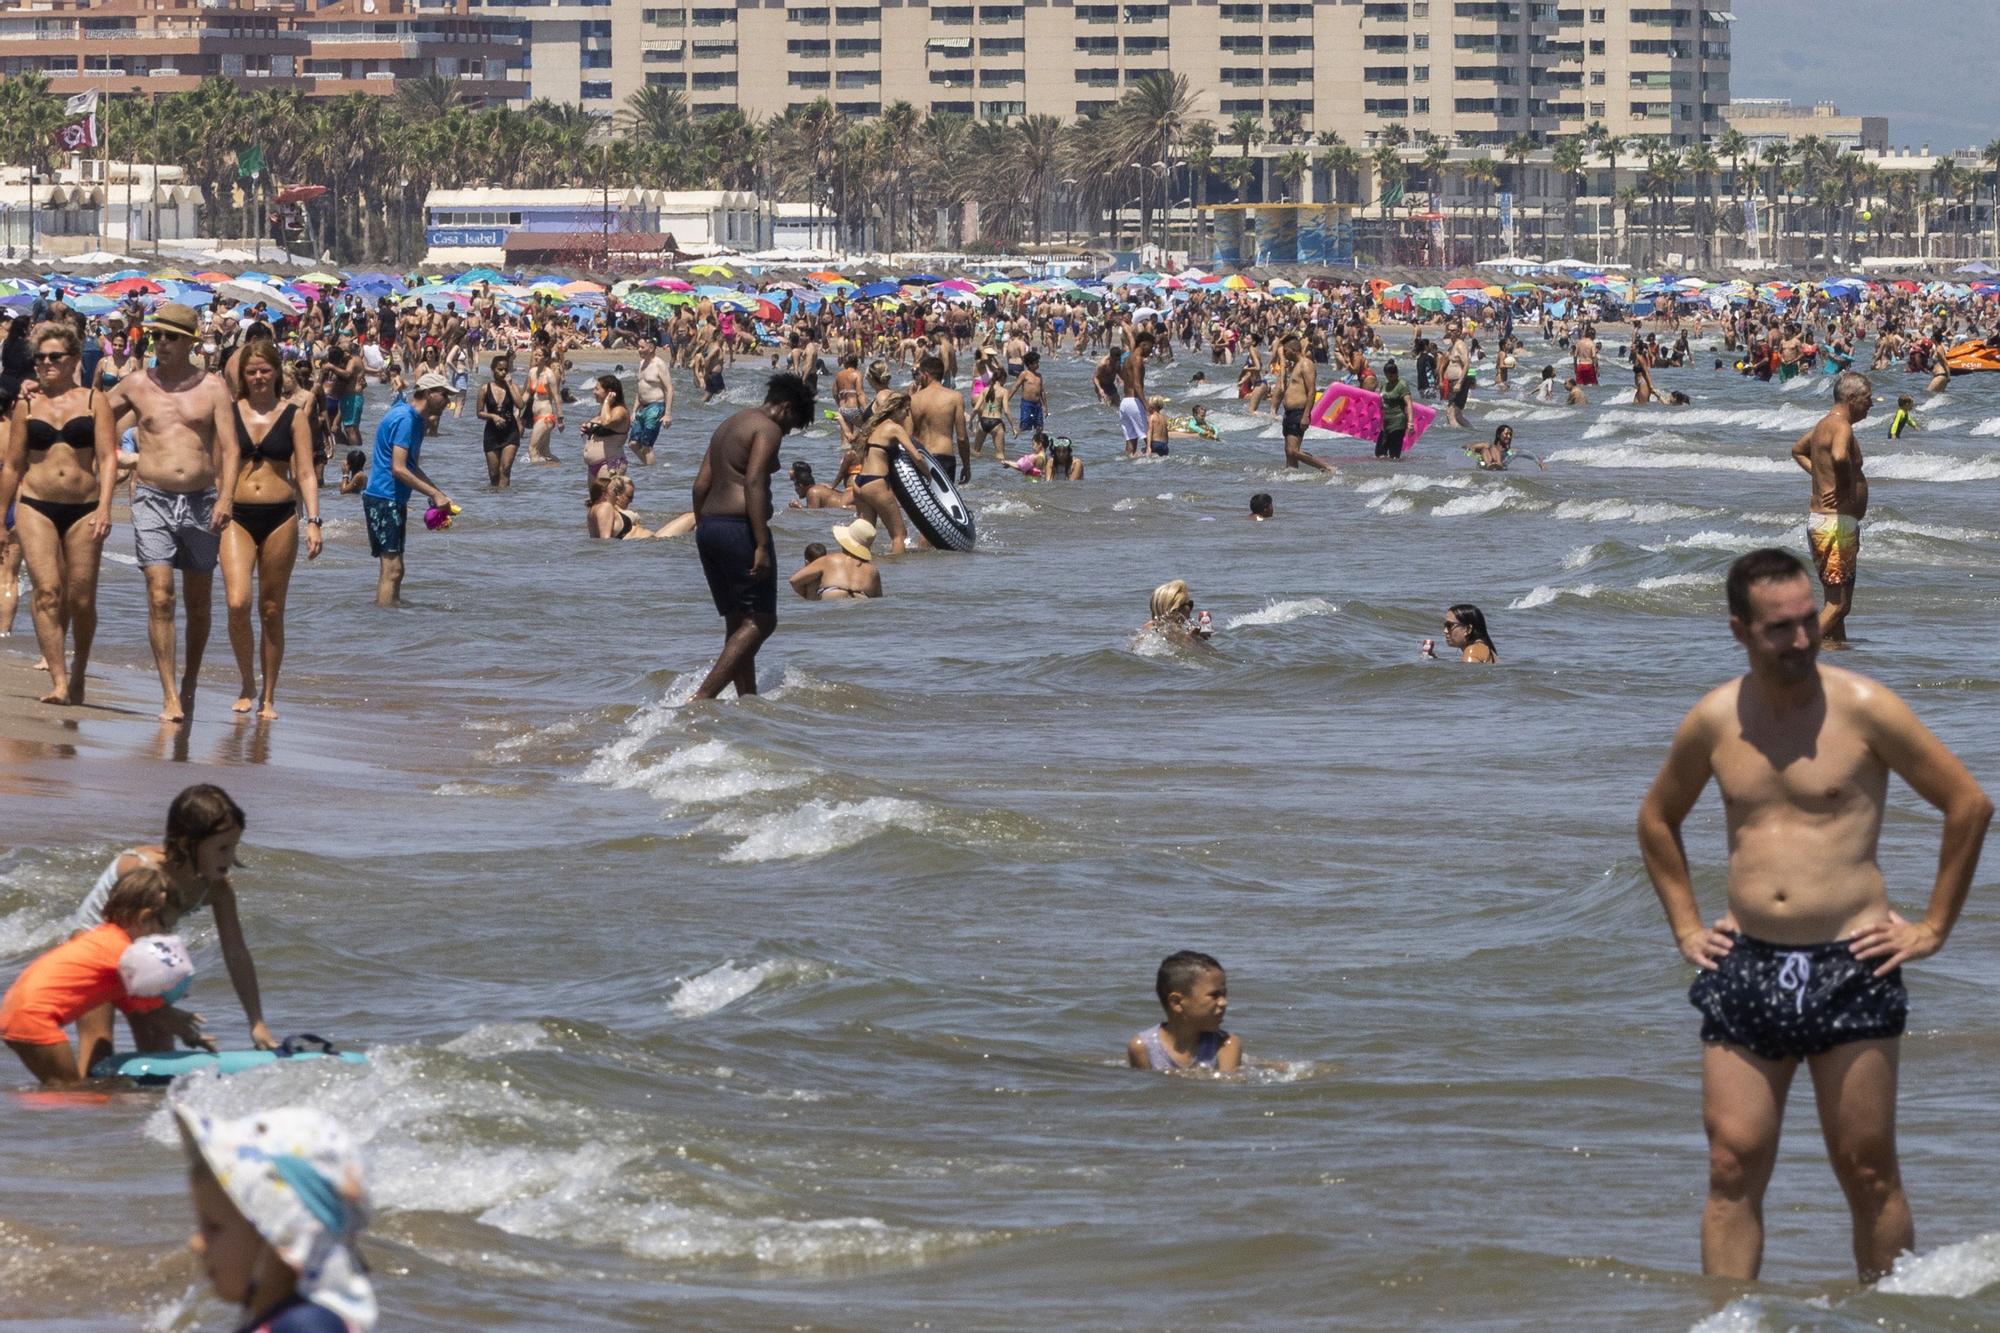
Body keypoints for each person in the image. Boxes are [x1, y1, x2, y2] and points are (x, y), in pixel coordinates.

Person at [1636, 547, 1992, 1282]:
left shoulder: (1865, 709)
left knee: (1866, 1170)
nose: (1802, 639)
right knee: (1732, 1164)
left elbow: (1968, 803)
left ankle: (1891, 1315)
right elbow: (1656, 818)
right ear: (1739, 629)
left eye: (1808, 620)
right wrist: (1685, 925)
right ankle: (1727, 1325)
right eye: (1781, 628)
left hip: (1852, 962)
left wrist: (1931, 926)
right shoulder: (1715, 719)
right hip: (1748, 963)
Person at [71, 783, 274, 1061]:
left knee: (159, 1051)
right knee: (99, 1049)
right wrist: (158, 1008)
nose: (229, 858)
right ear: (184, 843)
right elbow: (115, 943)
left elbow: (236, 953)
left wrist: (256, 1022)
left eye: (234, 847)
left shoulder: (217, 889)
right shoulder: (142, 870)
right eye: (222, 848)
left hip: (139, 956)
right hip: (92, 950)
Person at [104, 302, 237, 723]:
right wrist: (114, 458)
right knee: (160, 595)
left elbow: (232, 448)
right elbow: (91, 413)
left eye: (171, 337)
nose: (162, 342)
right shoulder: (137, 384)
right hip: (152, 497)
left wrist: (226, 498)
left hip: (201, 499)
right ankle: (169, 695)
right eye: (156, 335)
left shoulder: (213, 387)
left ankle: (190, 679)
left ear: (190, 342)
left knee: (198, 603)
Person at [175, 1103, 377, 1332]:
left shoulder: (304, 1326)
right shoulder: (285, 1319)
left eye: (214, 1227)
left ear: (287, 1235)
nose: (196, 1243)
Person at [3, 867, 205, 1085]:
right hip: (36, 1019)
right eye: (166, 927)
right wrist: (184, 1029)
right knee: (69, 1092)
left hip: (15, 1013)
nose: (165, 936)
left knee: (55, 1088)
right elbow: (149, 1008)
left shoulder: (103, 940)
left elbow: (130, 1001)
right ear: (145, 918)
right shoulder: (122, 952)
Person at [0, 320, 113, 704]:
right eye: (41, 357)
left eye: (55, 357)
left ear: (73, 359)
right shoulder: (26, 404)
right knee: (48, 591)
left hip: (84, 507)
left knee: (80, 599)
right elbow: (13, 466)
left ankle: (79, 671)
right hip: (35, 505)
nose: (47, 363)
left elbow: (107, 458)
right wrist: (1, 518)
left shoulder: (93, 400)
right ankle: (60, 682)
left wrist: (106, 506)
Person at [690, 372, 815, 701]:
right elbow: (755, 482)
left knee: (738, 623)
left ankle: (748, 700)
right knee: (762, 620)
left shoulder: (729, 423)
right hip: (739, 528)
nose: (785, 434)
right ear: (786, 409)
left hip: (710, 526)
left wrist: (702, 525)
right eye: (791, 427)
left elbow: (701, 483)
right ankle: (703, 698)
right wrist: (760, 543)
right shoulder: (768, 428)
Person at [222, 340, 321, 721]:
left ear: (278, 372)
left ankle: (268, 696)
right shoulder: (229, 414)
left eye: (265, 370)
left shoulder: (293, 415)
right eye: (251, 372)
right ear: (242, 377)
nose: (259, 377)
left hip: (281, 516)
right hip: (236, 516)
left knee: (271, 609)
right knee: (237, 602)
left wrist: (314, 521)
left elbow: (307, 472)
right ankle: (247, 682)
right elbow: (217, 465)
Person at [362, 372, 456, 609]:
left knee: (396, 568)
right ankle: (385, 619)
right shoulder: (405, 418)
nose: (448, 401)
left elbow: (411, 466)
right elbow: (399, 469)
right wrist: (434, 495)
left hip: (393, 498)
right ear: (426, 393)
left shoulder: (417, 420)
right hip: (384, 497)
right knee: (392, 568)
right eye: (444, 395)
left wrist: (438, 492)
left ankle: (391, 614)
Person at [1792, 371, 1871, 646]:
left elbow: (1797, 450)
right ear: (1851, 398)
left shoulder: (1824, 425)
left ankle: (1836, 654)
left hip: (1827, 524)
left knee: (1838, 606)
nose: (1871, 405)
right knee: (1838, 606)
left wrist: (1820, 476)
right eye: (1867, 399)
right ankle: (1795, 653)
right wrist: (1846, 486)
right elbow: (1839, 456)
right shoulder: (1842, 427)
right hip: (1835, 526)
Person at [1125, 950, 1241, 1073]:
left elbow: (1226, 1087)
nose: (1224, 1002)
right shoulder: (1142, 1047)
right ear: (1176, 1002)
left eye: (1224, 994)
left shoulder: (1226, 1044)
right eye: (1214, 995)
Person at [911, 355, 971, 485]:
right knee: (943, 503)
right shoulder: (955, 397)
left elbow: (908, 435)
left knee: (923, 503)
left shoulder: (913, 399)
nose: (918, 377)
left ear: (926, 374)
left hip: (919, 457)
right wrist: (966, 466)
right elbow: (962, 438)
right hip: (944, 457)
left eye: (919, 374)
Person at [1278, 334, 1333, 472]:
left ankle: (1326, 468)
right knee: (1289, 452)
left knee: (1294, 451)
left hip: (1299, 412)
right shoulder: (1295, 366)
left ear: (1294, 350)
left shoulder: (1306, 364)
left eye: (1286, 351)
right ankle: (1292, 479)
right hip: (1289, 413)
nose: (1284, 354)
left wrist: (1306, 415)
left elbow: (1311, 391)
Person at [789, 519, 883, 600]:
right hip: (862, 598)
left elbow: (794, 581)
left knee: (812, 584)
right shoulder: (873, 571)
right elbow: (878, 599)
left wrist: (809, 597)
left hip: (832, 594)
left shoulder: (828, 560)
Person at [474, 353, 521, 489]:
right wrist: (493, 416)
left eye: (506, 370)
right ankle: (495, 501)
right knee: (494, 474)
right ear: (493, 369)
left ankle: (505, 501)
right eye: (500, 369)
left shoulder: (512, 387)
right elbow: (479, 413)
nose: (503, 372)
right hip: (492, 434)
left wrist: (510, 385)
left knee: (505, 469)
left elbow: (520, 405)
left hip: (510, 433)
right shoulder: (485, 388)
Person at [630, 335, 672, 466]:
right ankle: (650, 467)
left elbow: (669, 389)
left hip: (656, 407)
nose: (639, 349)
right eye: (638, 347)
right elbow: (640, 388)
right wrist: (633, 411)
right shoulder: (642, 363)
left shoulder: (659, 364)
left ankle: (651, 476)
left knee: (647, 446)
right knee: (633, 444)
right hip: (642, 407)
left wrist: (668, 414)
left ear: (651, 348)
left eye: (642, 347)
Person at [578, 374, 631, 479]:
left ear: (609, 392)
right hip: (593, 466)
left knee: (608, 496)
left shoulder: (620, 410)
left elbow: (606, 422)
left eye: (597, 389)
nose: (594, 392)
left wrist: (607, 401)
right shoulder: (603, 411)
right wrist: (586, 427)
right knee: (594, 496)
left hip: (610, 464)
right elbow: (599, 424)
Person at [1142, 579, 1210, 648]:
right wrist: (1194, 641)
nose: (1190, 609)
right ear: (1176, 610)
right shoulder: (1181, 636)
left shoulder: (1148, 630)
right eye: (1189, 604)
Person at [1118, 331, 1153, 458]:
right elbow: (1137, 384)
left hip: (1124, 404)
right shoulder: (1137, 360)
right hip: (1134, 403)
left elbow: (1123, 377)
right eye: (1150, 346)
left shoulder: (1128, 358)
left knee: (1130, 445)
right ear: (1143, 344)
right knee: (1149, 441)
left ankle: (1127, 472)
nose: (1151, 350)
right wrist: (1146, 405)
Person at [1425, 604, 1497, 662]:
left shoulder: (1471, 652)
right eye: (1445, 625)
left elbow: (1470, 678)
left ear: (1468, 629)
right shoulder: (1483, 648)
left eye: (1449, 625)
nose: (1445, 631)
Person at [1376, 360, 1411, 460]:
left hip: (1398, 423)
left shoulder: (1402, 385)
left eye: (1391, 376)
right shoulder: (1384, 386)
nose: (1389, 378)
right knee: (1379, 453)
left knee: (1394, 456)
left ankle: (1393, 474)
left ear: (1396, 373)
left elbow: (1409, 404)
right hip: (1386, 424)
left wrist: (1410, 423)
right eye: (1387, 376)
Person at [1016, 350, 1045, 437]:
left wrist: (1046, 406)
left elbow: (1042, 391)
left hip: (1038, 404)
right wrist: (1007, 398)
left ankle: (1037, 441)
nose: (1038, 364)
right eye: (1036, 362)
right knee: (1025, 425)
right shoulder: (1024, 374)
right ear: (1030, 364)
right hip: (1027, 404)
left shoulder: (1039, 376)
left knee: (1039, 426)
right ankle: (1017, 436)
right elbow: (1015, 386)